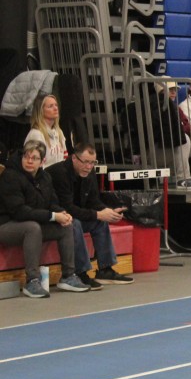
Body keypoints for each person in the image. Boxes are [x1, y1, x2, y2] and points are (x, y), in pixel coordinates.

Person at [0, 140, 91, 298]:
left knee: (67, 225)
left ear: (42, 161)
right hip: (6, 226)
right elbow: (19, 212)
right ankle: (32, 281)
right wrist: (53, 216)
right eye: (26, 157)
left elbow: (52, 203)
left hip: (33, 224)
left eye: (34, 158)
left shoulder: (45, 177)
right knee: (32, 228)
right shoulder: (10, 176)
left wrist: (62, 213)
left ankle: (68, 276)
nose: (29, 161)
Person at [48, 142, 135, 289]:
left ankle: (105, 269)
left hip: (75, 214)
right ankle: (81, 273)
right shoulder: (59, 174)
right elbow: (67, 208)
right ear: (74, 158)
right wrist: (97, 214)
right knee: (75, 223)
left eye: (92, 162)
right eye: (85, 162)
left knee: (100, 222)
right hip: (56, 217)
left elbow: (93, 201)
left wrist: (108, 212)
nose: (89, 166)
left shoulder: (89, 172)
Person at [25, 94, 68, 168]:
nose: (55, 108)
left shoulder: (59, 132)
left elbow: (65, 157)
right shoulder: (36, 134)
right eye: (50, 106)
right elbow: (33, 164)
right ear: (41, 111)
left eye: (56, 105)